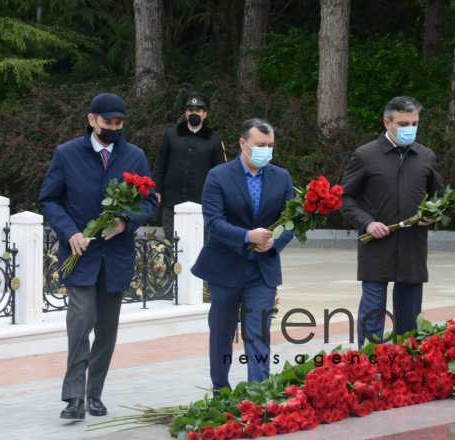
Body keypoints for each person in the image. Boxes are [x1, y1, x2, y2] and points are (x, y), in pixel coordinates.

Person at [39, 93, 156, 420]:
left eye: (119, 123)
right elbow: (49, 199)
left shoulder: (135, 156)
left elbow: (149, 201)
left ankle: (94, 395)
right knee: (80, 323)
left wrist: (125, 222)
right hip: (80, 254)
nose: (114, 128)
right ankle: (73, 397)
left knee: (106, 329)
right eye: (108, 122)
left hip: (116, 258)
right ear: (92, 120)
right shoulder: (66, 154)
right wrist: (70, 232)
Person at [191, 118, 295, 394]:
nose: (267, 150)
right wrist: (247, 237)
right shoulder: (218, 176)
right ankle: (220, 390)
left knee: (258, 332)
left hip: (262, 269)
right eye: (260, 145)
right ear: (242, 144)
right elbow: (213, 221)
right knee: (222, 333)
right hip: (225, 267)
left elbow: (292, 220)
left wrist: (273, 243)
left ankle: (258, 393)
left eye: (271, 145)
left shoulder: (281, 177)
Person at [340, 96, 443, 347]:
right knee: (372, 312)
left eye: (414, 123)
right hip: (376, 247)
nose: (410, 129)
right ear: (387, 122)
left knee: (409, 320)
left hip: (412, 248)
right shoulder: (365, 155)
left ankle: (404, 370)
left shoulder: (425, 157)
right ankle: (369, 365)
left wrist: (433, 214)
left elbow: (439, 196)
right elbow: (344, 197)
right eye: (404, 123)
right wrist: (367, 223)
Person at [153, 92, 226, 240]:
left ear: (204, 114)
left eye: (198, 110)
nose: (194, 113)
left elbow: (220, 172)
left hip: (202, 203)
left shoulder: (214, 140)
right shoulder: (170, 135)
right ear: (185, 113)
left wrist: (219, 197)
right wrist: (156, 190)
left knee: (198, 244)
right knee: (173, 245)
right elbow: (160, 164)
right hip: (172, 201)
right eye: (190, 110)